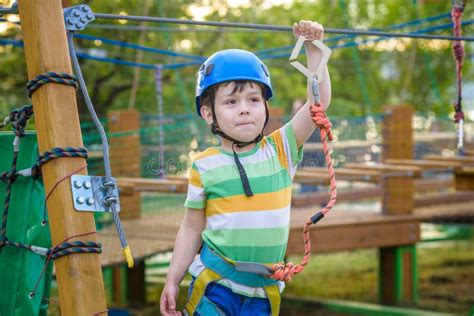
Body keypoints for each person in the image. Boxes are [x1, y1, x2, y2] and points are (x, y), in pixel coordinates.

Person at [160, 20, 331, 316]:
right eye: (231, 101)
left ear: (265, 106)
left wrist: (314, 49)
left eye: (254, 99)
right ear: (208, 113)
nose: (244, 108)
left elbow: (318, 104)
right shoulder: (204, 164)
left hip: (263, 293)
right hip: (215, 285)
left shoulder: (281, 150)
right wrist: (172, 279)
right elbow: (191, 227)